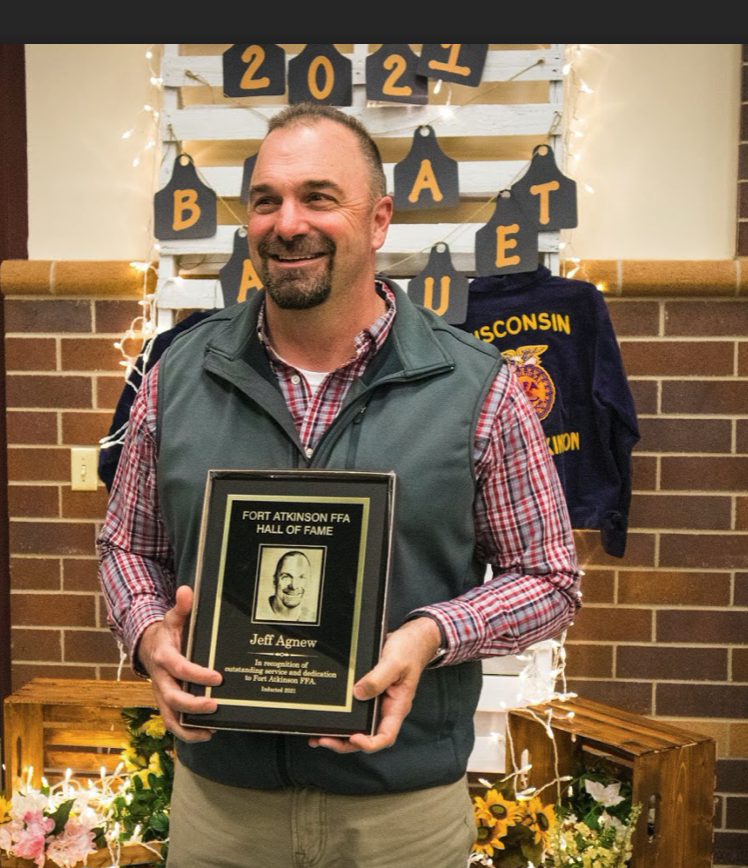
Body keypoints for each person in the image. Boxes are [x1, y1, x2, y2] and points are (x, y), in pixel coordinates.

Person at [97, 102, 581, 868]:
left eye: (319, 197)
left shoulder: (477, 387)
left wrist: (430, 635)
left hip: (401, 815)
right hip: (222, 810)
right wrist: (150, 633)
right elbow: (127, 545)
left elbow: (550, 577)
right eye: (266, 200)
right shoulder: (175, 376)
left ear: (379, 218)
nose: (288, 223)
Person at [255, 548, 318, 622]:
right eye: (286, 577)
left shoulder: (313, 618)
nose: (294, 586)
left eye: (301, 577)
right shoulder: (257, 614)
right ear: (274, 581)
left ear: (308, 582)